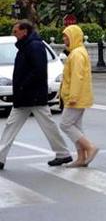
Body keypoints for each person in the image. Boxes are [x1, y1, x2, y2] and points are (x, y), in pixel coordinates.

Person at [0, 20, 72, 170]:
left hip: (32, 95)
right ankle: (62, 153)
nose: (14, 35)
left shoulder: (34, 46)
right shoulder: (28, 46)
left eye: (16, 31)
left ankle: (63, 153)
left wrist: (22, 85)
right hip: (26, 96)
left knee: (46, 125)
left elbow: (38, 70)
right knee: (12, 126)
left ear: (24, 31)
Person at [59, 25, 99, 167]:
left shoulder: (76, 54)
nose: (64, 38)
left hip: (76, 97)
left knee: (65, 124)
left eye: (67, 36)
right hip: (79, 96)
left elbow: (77, 77)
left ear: (74, 36)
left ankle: (89, 147)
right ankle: (81, 158)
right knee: (76, 126)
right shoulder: (78, 52)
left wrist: (73, 97)